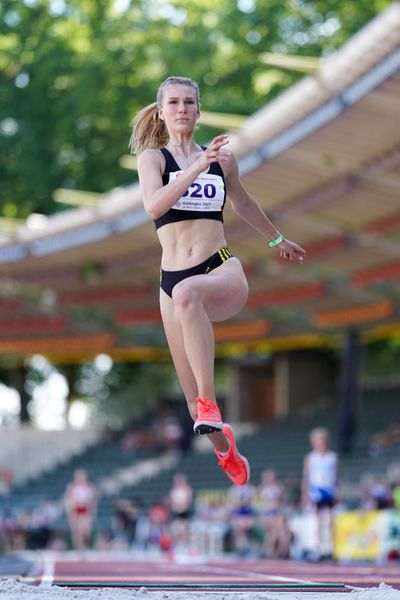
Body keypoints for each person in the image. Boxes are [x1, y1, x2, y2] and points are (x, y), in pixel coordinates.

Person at [131, 75, 305, 486]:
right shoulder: (154, 160)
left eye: (189, 102)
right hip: (170, 280)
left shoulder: (221, 159)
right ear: (162, 111)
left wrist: (277, 238)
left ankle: (211, 401)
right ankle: (227, 452)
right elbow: (154, 205)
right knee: (195, 413)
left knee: (190, 294)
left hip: (219, 268)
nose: (182, 109)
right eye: (173, 103)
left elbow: (241, 200)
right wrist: (195, 166)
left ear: (198, 109)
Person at [302, 427, 338, 560]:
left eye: (322, 440)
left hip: (329, 491)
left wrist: (337, 492)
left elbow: (337, 475)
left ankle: (331, 549)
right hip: (316, 491)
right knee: (317, 522)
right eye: (318, 440)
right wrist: (305, 494)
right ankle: (319, 550)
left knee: (330, 521)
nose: (320, 443)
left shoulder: (332, 456)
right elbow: (306, 477)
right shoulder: (311, 457)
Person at [64, 469, 97, 550]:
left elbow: (93, 501)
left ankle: (85, 544)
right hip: (76, 510)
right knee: (76, 530)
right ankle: (79, 547)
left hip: (86, 510)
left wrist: (93, 512)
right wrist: (70, 513)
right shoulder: (72, 487)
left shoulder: (90, 487)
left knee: (85, 530)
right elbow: (69, 500)